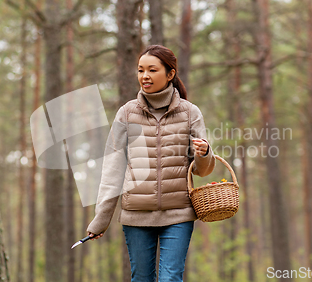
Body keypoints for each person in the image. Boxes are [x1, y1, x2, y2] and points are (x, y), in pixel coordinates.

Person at [86, 44, 215, 282]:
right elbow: (113, 169)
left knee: (170, 278)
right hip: (136, 214)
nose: (145, 76)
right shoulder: (127, 113)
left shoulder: (190, 113)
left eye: (152, 70)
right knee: (142, 278)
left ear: (170, 74)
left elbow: (202, 170)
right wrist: (101, 219)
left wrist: (205, 153)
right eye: (140, 70)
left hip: (178, 214)